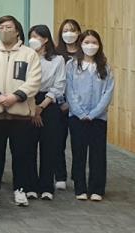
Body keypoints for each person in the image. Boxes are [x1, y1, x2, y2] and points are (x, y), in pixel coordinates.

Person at [0, 15, 41, 207]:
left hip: (20, 114)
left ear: (17, 31)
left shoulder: (29, 55)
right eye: (1, 27)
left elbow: (34, 81)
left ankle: (20, 189)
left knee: (21, 154)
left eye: (9, 27)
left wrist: (15, 97)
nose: (5, 30)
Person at [66, 30, 114, 202]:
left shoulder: (105, 67)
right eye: (87, 42)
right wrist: (80, 112)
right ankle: (80, 187)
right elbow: (69, 90)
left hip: (98, 118)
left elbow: (108, 92)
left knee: (98, 154)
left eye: (94, 42)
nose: (90, 46)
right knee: (78, 153)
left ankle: (97, 189)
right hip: (76, 117)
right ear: (81, 44)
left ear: (99, 45)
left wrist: (94, 113)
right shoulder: (72, 65)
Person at [27, 25, 66, 200]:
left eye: (37, 37)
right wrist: (33, 108)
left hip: (49, 102)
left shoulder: (58, 60)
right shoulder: (26, 57)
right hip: (28, 100)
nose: (33, 40)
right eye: (31, 36)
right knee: (29, 146)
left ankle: (46, 186)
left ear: (45, 39)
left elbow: (59, 85)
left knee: (49, 146)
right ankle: (30, 185)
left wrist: (41, 107)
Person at [54, 18, 82, 190]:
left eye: (72, 30)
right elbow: (57, 82)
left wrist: (74, 103)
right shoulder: (57, 54)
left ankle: (78, 177)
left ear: (78, 32)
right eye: (65, 31)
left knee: (78, 144)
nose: (69, 34)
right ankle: (60, 175)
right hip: (60, 106)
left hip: (80, 106)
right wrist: (62, 101)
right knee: (58, 142)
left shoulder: (85, 53)